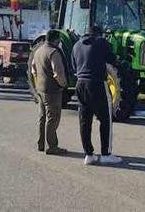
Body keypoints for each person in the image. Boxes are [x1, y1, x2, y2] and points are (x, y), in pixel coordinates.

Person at [72, 26, 122, 165]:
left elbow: (73, 66)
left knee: (84, 120)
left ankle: (88, 154)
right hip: (97, 83)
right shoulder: (101, 43)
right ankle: (106, 153)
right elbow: (112, 59)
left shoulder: (76, 45)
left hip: (80, 84)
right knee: (106, 119)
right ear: (99, 34)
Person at [31, 29, 68, 155]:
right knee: (53, 118)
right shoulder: (53, 52)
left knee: (42, 117)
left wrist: (38, 82)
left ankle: (41, 143)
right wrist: (63, 84)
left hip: (40, 89)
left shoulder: (38, 51)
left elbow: (33, 69)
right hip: (52, 90)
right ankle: (52, 146)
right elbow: (57, 72)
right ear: (56, 39)